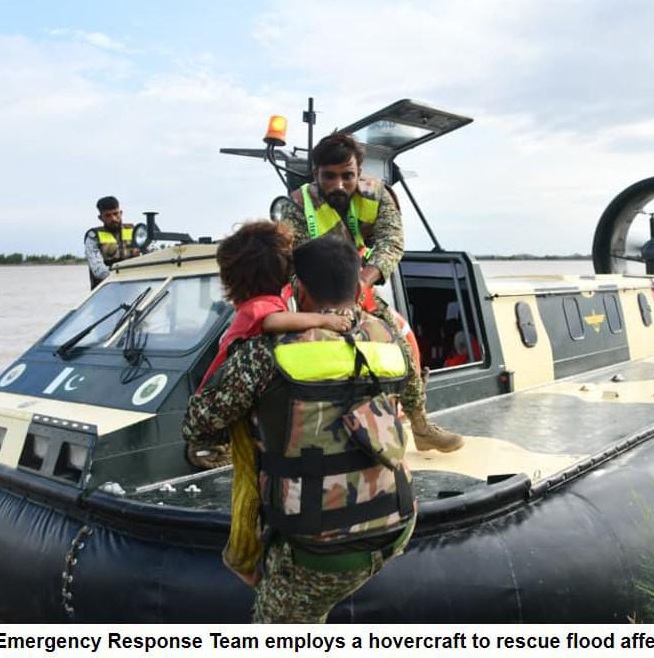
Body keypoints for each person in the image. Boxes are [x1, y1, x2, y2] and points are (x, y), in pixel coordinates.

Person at [185, 235, 417, 623]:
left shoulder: (267, 351)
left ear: (298, 290)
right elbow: (412, 396)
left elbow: (198, 423)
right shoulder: (390, 336)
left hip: (321, 544)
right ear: (356, 288)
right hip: (397, 520)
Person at [186, 220, 352, 587]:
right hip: (227, 404)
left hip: (229, 399)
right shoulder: (263, 308)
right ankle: (242, 557)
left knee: (252, 480)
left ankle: (250, 552)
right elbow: (274, 321)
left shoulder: (251, 305)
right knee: (247, 482)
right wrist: (324, 320)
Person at [280, 132, 464, 452]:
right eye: (329, 176)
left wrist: (363, 281)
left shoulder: (378, 196)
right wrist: (320, 307)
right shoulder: (297, 205)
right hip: (309, 293)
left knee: (401, 347)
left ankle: (419, 424)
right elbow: (290, 259)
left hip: (355, 287)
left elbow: (392, 242)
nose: (339, 184)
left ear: (360, 172)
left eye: (347, 176)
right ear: (315, 174)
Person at [84, 196, 142, 289]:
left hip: (136, 289)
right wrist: (126, 273)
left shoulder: (136, 231)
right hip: (106, 291)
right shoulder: (93, 236)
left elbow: (152, 254)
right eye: (108, 215)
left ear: (121, 213)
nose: (113, 218)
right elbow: (98, 271)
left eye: (116, 214)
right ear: (100, 218)